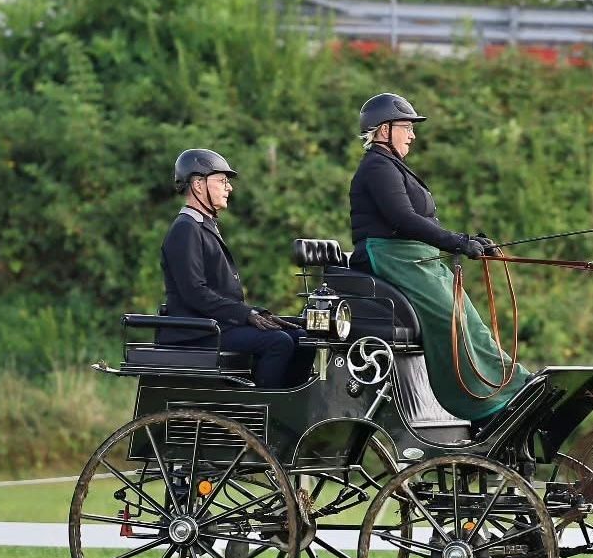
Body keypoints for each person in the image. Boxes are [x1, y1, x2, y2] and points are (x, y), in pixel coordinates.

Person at [349, 93, 529, 420]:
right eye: (406, 127)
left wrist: (470, 241)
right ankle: (480, 405)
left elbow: (424, 221)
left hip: (418, 257)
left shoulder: (392, 166)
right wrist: (458, 242)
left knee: (471, 322)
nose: (413, 134)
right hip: (391, 256)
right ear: (384, 130)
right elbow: (404, 219)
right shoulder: (377, 167)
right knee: (449, 321)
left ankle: (512, 384)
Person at [160, 148, 314, 389]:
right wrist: (245, 314)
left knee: (303, 338)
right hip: (197, 333)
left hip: (216, 326)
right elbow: (194, 292)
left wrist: (256, 312)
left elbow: (217, 293)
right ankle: (267, 412)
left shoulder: (203, 226)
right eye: (222, 181)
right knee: (278, 343)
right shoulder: (185, 229)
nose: (229, 187)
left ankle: (294, 410)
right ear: (198, 185)